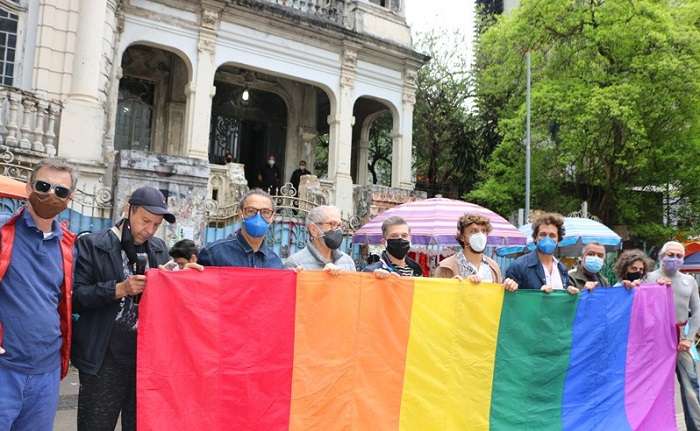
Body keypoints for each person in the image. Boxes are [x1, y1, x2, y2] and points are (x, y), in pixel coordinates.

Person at [72, 186, 175, 431]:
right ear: (128, 210)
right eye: (145, 221)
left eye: (156, 225)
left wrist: (180, 279)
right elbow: (76, 296)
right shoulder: (93, 244)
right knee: (95, 425)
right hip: (104, 358)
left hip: (146, 361)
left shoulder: (159, 249)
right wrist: (119, 289)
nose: (149, 230)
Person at [0, 159, 77, 431]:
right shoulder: (3, 231)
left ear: (71, 198)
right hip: (4, 370)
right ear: (29, 187)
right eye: (43, 186)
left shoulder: (68, 245)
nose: (51, 195)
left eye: (61, 191)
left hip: (46, 374)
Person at [646, 241, 700, 431]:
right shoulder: (648, 278)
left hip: (681, 341)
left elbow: (697, 311)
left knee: (691, 388)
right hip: (655, 342)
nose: (674, 259)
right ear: (661, 256)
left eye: (679, 256)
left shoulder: (689, 281)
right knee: (654, 388)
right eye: (670, 254)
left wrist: (689, 337)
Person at [198, 189, 283, 269]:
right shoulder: (214, 254)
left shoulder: (276, 264)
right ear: (240, 214)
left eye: (265, 212)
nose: (258, 217)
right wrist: (187, 272)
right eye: (251, 211)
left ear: (272, 217)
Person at [435, 214, 518, 291]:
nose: (480, 235)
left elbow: (499, 298)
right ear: (462, 237)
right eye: (474, 231)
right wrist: (453, 286)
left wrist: (509, 287)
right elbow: (436, 299)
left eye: (484, 231)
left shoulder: (493, 267)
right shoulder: (446, 267)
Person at [505, 212, 576, 294]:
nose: (547, 239)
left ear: (558, 240)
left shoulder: (562, 269)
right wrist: (538, 295)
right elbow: (510, 300)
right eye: (543, 234)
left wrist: (569, 292)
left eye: (552, 235)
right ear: (535, 238)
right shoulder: (518, 266)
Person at [285, 205, 355, 272]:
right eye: (332, 224)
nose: (337, 230)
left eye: (339, 225)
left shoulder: (348, 262)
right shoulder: (295, 263)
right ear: (313, 230)